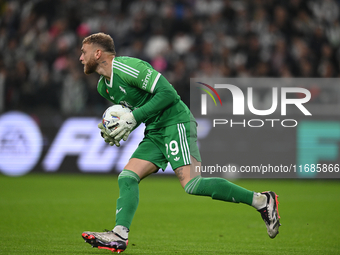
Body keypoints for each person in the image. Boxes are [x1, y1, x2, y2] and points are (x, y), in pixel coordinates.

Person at [79, 32, 280, 253]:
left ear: (98, 53)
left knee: (192, 184)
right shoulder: (104, 87)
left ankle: (262, 201)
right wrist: (121, 128)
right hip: (155, 130)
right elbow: (138, 111)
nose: (80, 58)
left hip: (176, 122)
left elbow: (168, 93)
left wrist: (134, 119)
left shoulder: (127, 67)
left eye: (84, 52)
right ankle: (119, 234)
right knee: (127, 177)